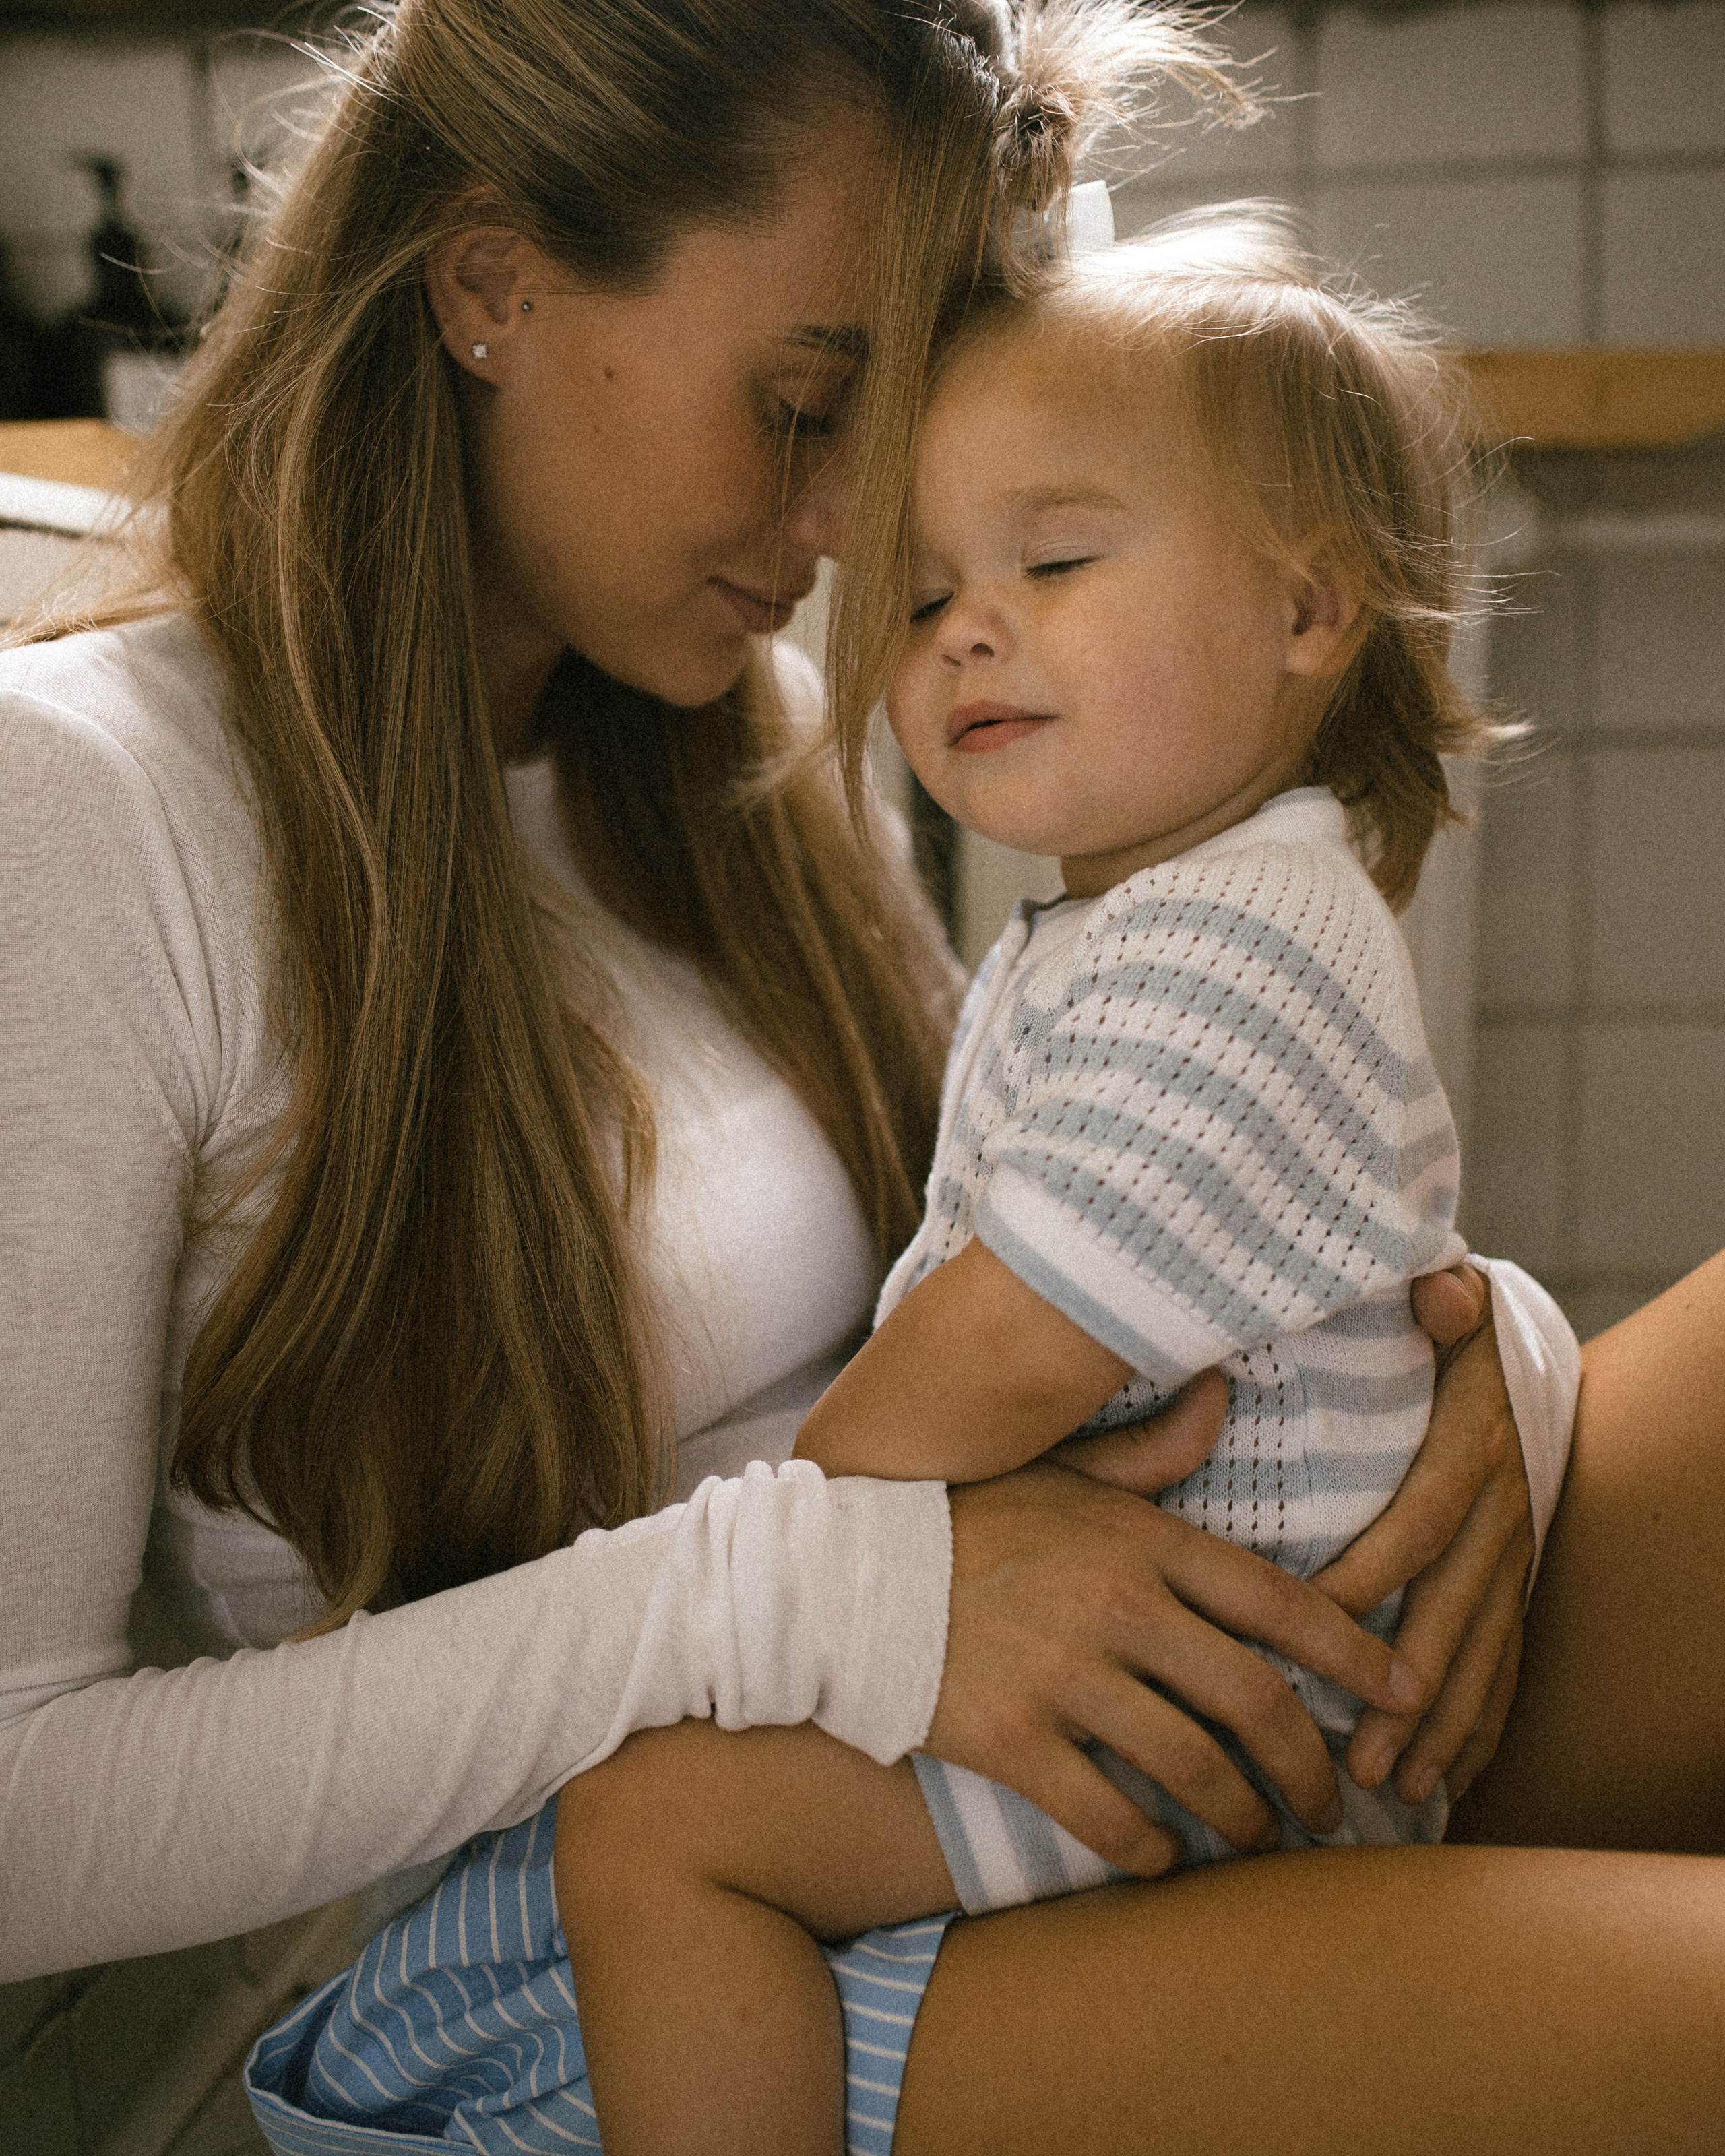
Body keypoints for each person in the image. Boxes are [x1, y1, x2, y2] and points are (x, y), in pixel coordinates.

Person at [0, 0, 1636, 2145]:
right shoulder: (80, 809)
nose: (861, 520)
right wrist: (826, 1601)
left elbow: (1082, 1228)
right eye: (802, 404)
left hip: (986, 1749)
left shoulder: (732, 750)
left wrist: (1470, 1366)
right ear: (491, 284)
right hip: (585, 1938)